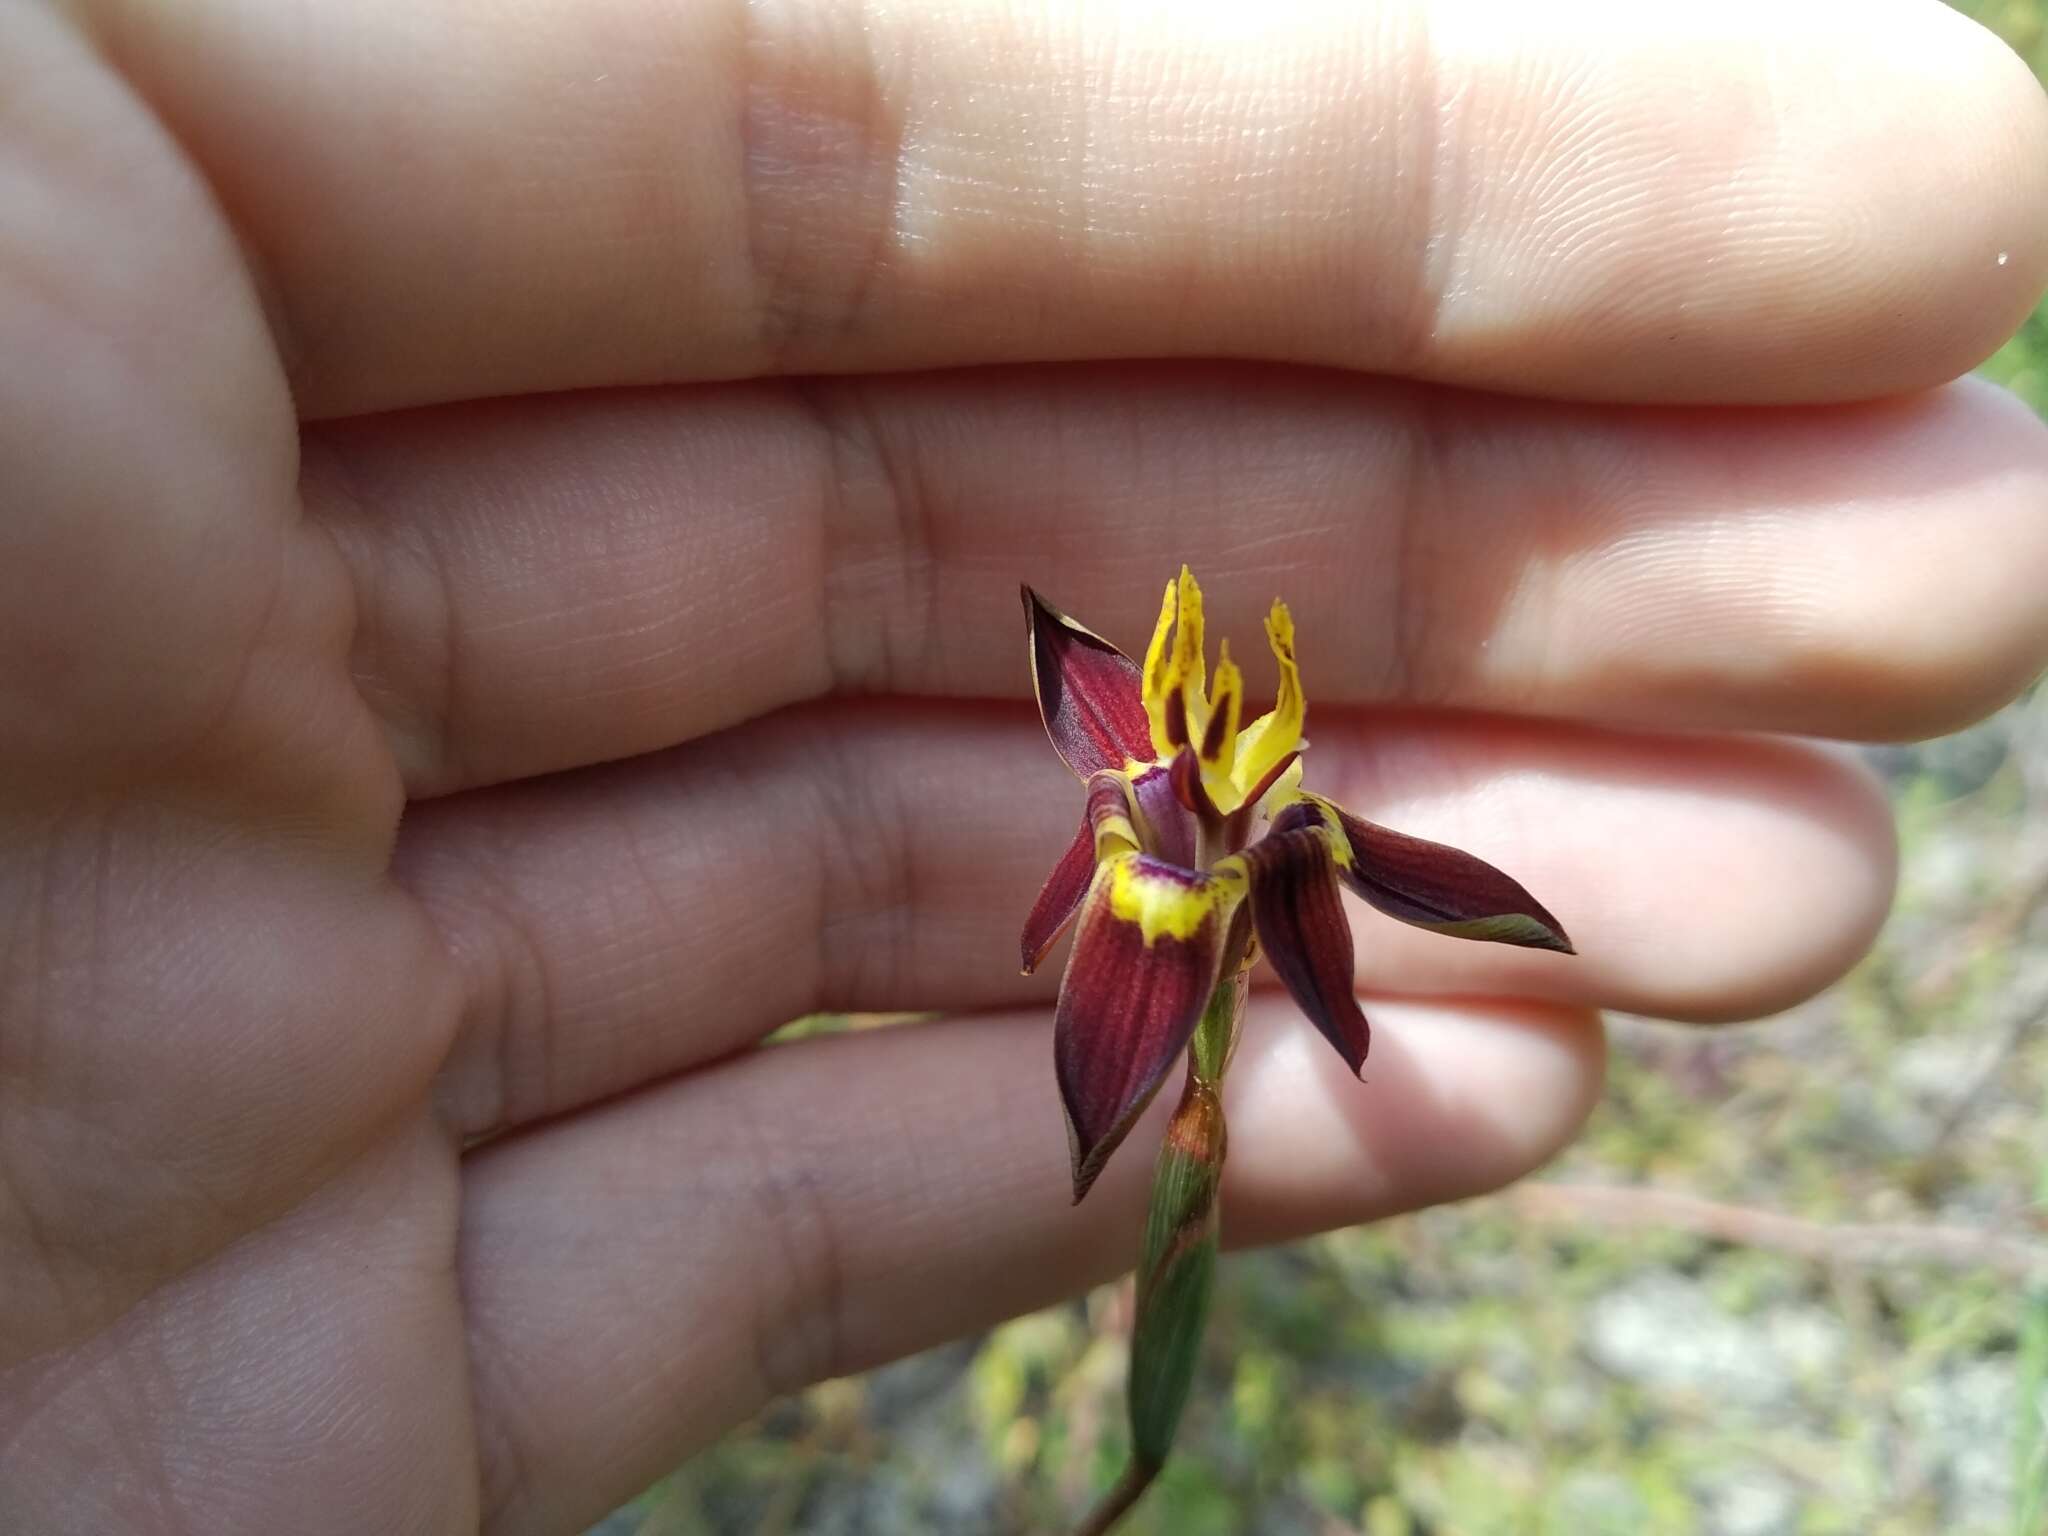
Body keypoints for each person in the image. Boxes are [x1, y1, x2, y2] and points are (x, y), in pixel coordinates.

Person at [3, 0, 2046, 1530]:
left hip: (1203, 902)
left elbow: (1390, 904)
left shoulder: (1245, 815)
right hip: (1176, 906)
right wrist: (1164, 890)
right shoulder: (1133, 765)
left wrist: (1286, 927)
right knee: (1134, 1114)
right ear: (1140, 723)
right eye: (1168, 734)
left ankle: (1132, 1447)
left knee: (1192, 1088)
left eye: (1194, 745)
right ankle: (1128, 1425)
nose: (1173, 744)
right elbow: (1162, 826)